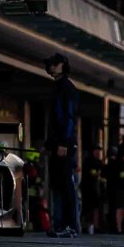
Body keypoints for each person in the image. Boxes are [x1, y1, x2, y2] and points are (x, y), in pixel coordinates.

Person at [42, 54, 82, 237]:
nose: (52, 67)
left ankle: (69, 225)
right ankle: (59, 224)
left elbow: (69, 117)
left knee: (65, 185)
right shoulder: (58, 87)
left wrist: (64, 142)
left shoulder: (66, 88)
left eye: (55, 64)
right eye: (50, 64)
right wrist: (50, 143)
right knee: (58, 185)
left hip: (64, 145)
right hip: (57, 144)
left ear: (63, 66)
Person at [104, 142, 124, 234]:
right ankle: (119, 228)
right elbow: (123, 177)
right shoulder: (120, 164)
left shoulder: (114, 163)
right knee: (120, 209)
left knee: (119, 208)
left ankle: (117, 227)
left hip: (115, 189)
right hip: (119, 190)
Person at [81, 147, 104, 235]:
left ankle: (95, 226)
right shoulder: (88, 161)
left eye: (99, 152)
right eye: (97, 151)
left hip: (97, 189)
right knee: (88, 209)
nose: (98, 153)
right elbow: (91, 173)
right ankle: (87, 226)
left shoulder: (99, 162)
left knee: (96, 208)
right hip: (88, 188)